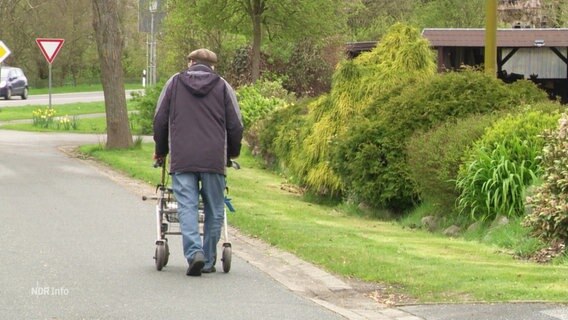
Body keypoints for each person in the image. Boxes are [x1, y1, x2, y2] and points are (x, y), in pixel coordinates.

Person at [153, 48, 243, 276]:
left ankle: (194, 254)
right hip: (213, 159)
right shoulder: (223, 86)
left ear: (191, 62)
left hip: (182, 158)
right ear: (213, 66)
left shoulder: (174, 83)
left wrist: (161, 151)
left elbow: (160, 120)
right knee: (214, 208)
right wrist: (232, 154)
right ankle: (209, 259)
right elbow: (235, 125)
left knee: (187, 206)